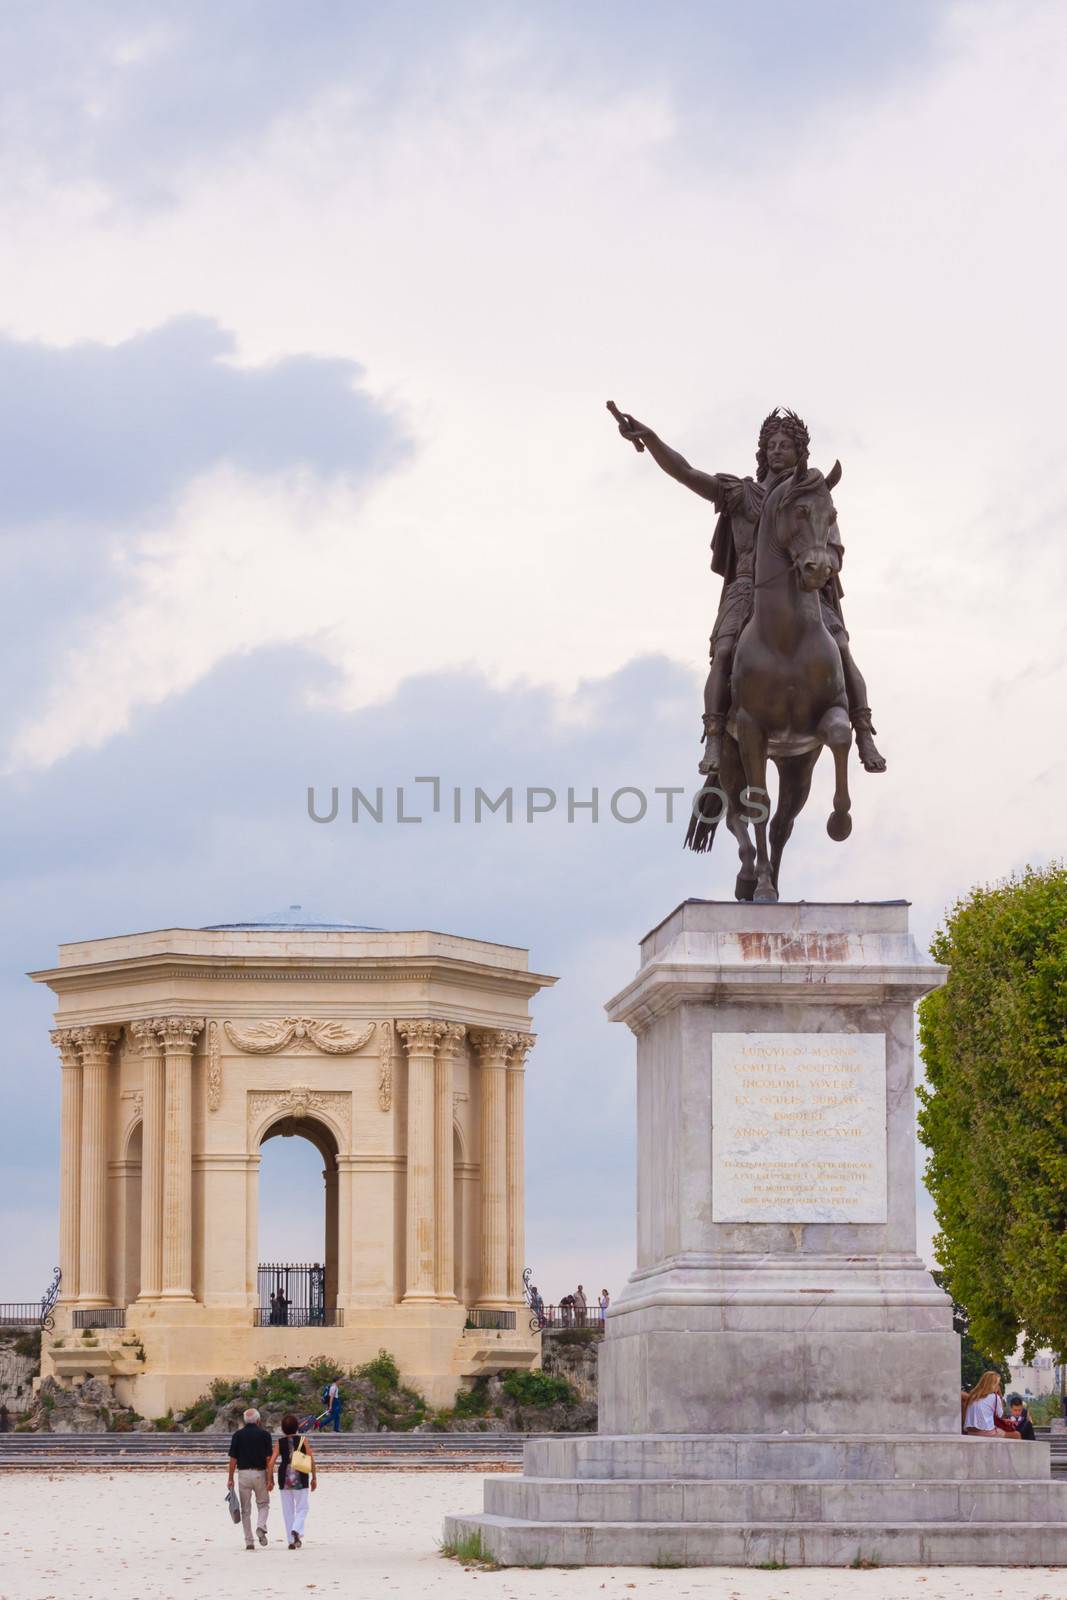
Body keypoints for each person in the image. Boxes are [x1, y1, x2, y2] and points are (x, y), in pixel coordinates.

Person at [611, 405, 887, 780]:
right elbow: (687, 473)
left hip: (805, 590)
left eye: (785, 445)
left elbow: (831, 544)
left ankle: (863, 730)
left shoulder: (812, 497)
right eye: (771, 444)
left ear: (799, 452)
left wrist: (826, 564)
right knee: (725, 650)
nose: (776, 450)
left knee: (839, 645)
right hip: (746, 587)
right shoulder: (741, 495)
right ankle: (713, 733)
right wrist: (652, 439)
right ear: (762, 451)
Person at [227, 1406, 274, 1549]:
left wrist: (230, 1478)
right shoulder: (265, 1435)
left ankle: (249, 1542)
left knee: (245, 1510)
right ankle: (261, 1526)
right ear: (258, 1420)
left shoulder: (237, 1435)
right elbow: (268, 1459)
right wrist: (270, 1478)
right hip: (260, 1473)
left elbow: (233, 1460)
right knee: (263, 1504)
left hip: (243, 1474)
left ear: (244, 1421)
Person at [270, 1412, 317, 1549]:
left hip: (284, 1477)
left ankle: (291, 1540)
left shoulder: (279, 1442)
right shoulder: (303, 1440)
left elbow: (272, 1462)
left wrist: (270, 1479)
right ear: (297, 1427)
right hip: (301, 1476)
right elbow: (311, 1459)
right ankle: (296, 1529)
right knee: (302, 1507)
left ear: (283, 1428)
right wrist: (314, 1477)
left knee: (287, 1509)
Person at [963, 1372, 1017, 1439]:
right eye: (997, 1384)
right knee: (1016, 1435)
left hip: (971, 1433)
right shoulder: (994, 1397)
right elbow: (1000, 1415)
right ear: (993, 1385)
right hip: (986, 1433)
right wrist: (999, 1395)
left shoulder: (972, 1396)